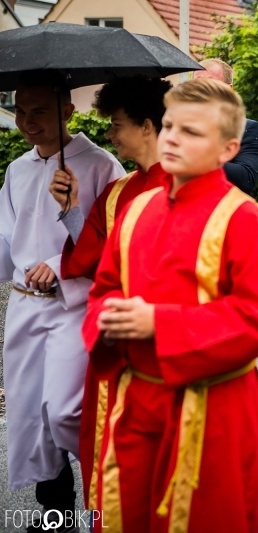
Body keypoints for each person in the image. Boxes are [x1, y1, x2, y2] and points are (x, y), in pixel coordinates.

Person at [82, 78, 258, 532]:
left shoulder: (246, 220)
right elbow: (103, 289)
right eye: (170, 126)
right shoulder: (135, 210)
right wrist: (109, 318)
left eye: (191, 132)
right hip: (136, 402)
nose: (172, 138)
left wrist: (158, 322)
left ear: (228, 148)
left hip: (214, 409)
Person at [0, 72, 123, 532]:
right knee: (33, 415)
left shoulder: (100, 165)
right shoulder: (17, 170)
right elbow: (7, 242)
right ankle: (55, 516)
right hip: (25, 307)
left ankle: (105, 501)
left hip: (74, 305)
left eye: (38, 112)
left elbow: (113, 236)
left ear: (67, 111)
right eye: (19, 112)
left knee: (67, 409)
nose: (27, 123)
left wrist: (58, 258)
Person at [48, 76, 171, 515]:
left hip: (165, 348)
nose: (111, 134)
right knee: (112, 457)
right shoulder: (118, 191)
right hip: (115, 345)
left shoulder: (186, 187)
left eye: (117, 124)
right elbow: (96, 260)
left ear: (147, 125)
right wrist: (72, 210)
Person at [194, 58, 258, 196]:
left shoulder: (247, 128)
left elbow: (247, 178)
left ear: (229, 89)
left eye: (210, 84)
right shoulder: (179, 126)